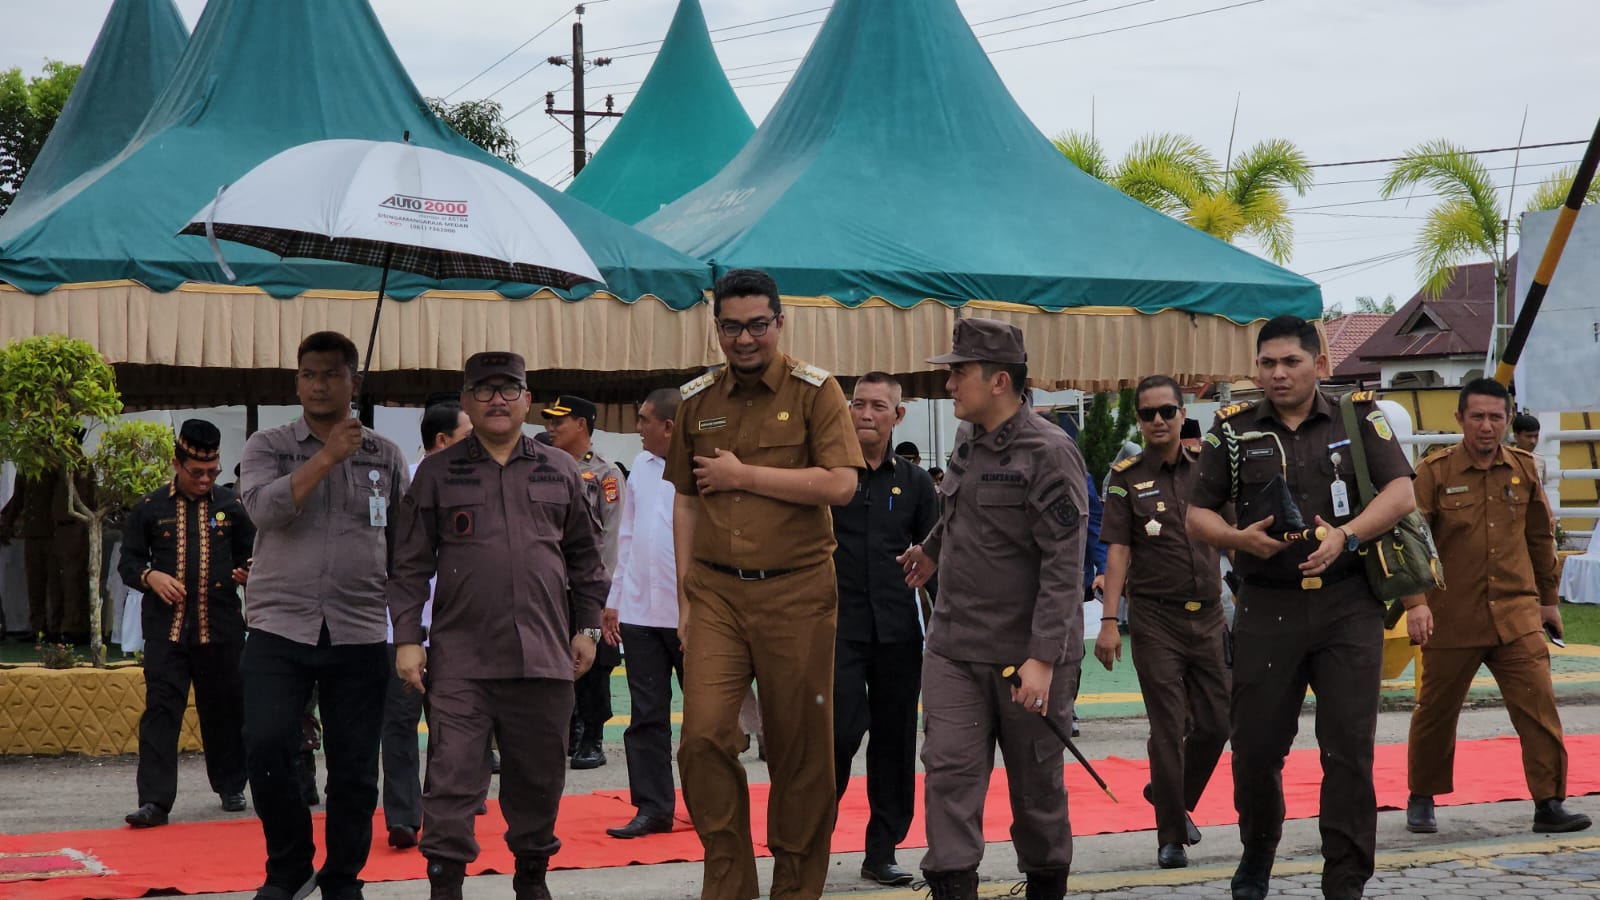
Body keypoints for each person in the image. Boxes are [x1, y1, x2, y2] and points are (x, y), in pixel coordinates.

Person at [1186, 315, 1416, 900]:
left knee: (1348, 750)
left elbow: (1401, 492)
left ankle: (1345, 879)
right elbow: (1197, 513)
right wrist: (1238, 540)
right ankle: (1259, 849)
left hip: (1348, 604)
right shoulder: (1232, 431)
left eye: (1291, 361)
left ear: (1320, 365)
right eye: (1268, 363)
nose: (1279, 373)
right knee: (1257, 747)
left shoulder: (1358, 418)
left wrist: (1349, 536)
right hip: (1267, 608)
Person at [667, 268, 862, 900]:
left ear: (779, 323)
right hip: (717, 593)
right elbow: (688, 503)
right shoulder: (696, 400)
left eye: (757, 324)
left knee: (799, 750)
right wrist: (685, 599)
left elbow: (840, 484)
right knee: (700, 738)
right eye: (731, 326)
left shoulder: (816, 391)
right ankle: (729, 883)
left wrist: (745, 475)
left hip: (798, 591)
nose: (744, 338)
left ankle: (796, 888)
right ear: (716, 329)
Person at [390, 351, 609, 900]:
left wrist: (586, 628)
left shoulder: (559, 469)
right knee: (451, 780)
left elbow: (585, 557)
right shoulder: (438, 473)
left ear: (526, 401)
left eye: (508, 390)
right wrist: (409, 640)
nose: (496, 400)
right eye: (483, 391)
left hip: (542, 654)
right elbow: (410, 563)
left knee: (538, 779)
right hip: (462, 658)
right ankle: (446, 887)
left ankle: (532, 878)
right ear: (465, 401)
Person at [898, 318, 1088, 900]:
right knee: (949, 776)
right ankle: (953, 886)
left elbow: (1064, 564)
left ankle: (1045, 884)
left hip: (1024, 657)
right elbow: (958, 513)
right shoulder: (966, 441)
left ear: (999, 380)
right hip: (955, 647)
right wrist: (930, 552)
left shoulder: (1050, 453)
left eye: (959, 372)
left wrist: (1043, 659)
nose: (950, 383)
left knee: (1036, 791)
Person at [238, 331, 410, 900]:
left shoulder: (385, 454)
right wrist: (327, 456)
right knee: (266, 746)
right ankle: (287, 869)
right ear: (296, 382)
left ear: (353, 382)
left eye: (331, 374)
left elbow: (406, 543)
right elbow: (263, 511)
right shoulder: (269, 444)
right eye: (308, 374)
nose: (318, 384)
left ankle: (342, 878)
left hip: (360, 626)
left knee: (356, 767)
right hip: (278, 624)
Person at [1402, 378, 1590, 835]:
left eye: (1496, 417)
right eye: (1477, 417)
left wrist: (1549, 602)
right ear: (1460, 419)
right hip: (1452, 615)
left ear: (1508, 420)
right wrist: (1415, 603)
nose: (1487, 426)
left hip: (1516, 614)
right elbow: (1410, 539)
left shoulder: (1523, 469)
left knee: (1539, 706)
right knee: (1435, 710)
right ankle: (1422, 797)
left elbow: (1541, 539)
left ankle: (1549, 803)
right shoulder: (1435, 472)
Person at [1093, 376, 1229, 870]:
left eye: (1167, 412)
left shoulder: (1210, 471)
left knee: (1217, 721)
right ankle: (1170, 835)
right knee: (1168, 726)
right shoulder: (1125, 478)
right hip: (1155, 618)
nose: (1157, 421)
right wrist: (1109, 620)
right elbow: (1119, 551)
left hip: (1209, 616)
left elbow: (1232, 534)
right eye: (1147, 413)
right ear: (1138, 418)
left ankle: (1170, 795)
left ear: (1182, 413)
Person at [831, 373, 940, 886]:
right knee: (836, 733)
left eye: (879, 406)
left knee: (895, 742)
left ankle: (883, 849)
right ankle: (811, 842)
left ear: (898, 416)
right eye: (858, 404)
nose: (866, 414)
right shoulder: (829, 475)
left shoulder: (916, 484)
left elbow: (937, 554)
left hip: (900, 632)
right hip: (837, 628)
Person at [119, 419, 255, 828]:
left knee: (225, 708)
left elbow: (255, 557)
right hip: (167, 630)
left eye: (212, 472)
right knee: (161, 711)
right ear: (176, 465)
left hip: (221, 627)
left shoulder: (232, 507)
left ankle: (231, 785)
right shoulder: (149, 509)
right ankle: (155, 802)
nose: (205, 480)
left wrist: (249, 572)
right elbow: (128, 562)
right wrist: (150, 577)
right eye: (197, 473)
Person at [381, 403, 472, 850]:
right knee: (399, 724)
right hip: (407, 627)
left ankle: (448, 809)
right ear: (442, 442)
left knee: (453, 725)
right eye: (465, 434)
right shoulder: (405, 485)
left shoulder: (476, 482)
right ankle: (402, 815)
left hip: (458, 625)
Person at [603, 388, 687, 840]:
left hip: (692, 615)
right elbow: (628, 538)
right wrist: (615, 599)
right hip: (640, 612)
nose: (637, 427)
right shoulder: (639, 469)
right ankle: (653, 808)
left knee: (706, 721)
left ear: (669, 426)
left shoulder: (701, 466)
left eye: (643, 420)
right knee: (646, 716)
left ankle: (710, 803)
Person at [543, 394, 626, 770]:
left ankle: (592, 735)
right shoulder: (542, 468)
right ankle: (568, 731)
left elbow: (612, 535)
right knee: (555, 662)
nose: (550, 427)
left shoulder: (606, 474)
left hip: (588, 588)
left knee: (593, 665)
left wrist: (603, 590)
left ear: (581, 424)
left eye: (559, 421)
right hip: (550, 587)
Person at [0, 466, 92, 644]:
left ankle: (57, 628)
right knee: (34, 583)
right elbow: (18, 498)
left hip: (52, 532)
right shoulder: (26, 466)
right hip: (33, 532)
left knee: (55, 584)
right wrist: (7, 522)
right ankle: (38, 628)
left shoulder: (55, 465)